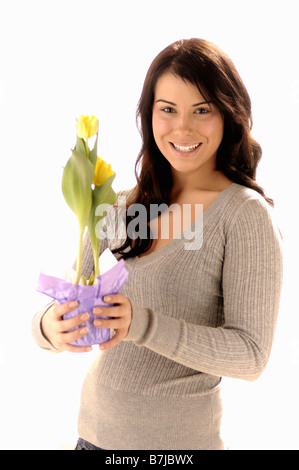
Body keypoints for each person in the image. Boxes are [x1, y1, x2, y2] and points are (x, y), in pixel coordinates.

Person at [32, 38, 283, 450]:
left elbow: (251, 355)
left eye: (202, 110)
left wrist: (142, 324)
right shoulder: (120, 205)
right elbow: (75, 294)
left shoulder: (244, 215)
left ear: (228, 116)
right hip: (91, 439)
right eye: (167, 110)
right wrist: (48, 327)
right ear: (149, 117)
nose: (182, 128)